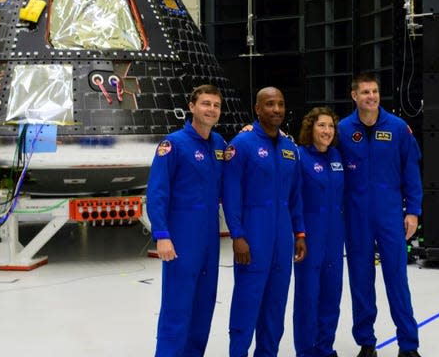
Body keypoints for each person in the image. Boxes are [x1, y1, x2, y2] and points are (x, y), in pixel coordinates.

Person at [338, 73, 423, 357]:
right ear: (354, 96)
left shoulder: (398, 128)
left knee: (397, 279)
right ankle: (366, 342)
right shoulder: (342, 130)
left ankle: (408, 345)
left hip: (389, 216)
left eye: (374, 91)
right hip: (356, 216)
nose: (371, 97)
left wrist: (413, 211)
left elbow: (411, 171)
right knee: (361, 281)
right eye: (364, 92)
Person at [222, 86, 307, 357]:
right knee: (247, 301)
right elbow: (231, 193)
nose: (276, 110)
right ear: (257, 109)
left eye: (280, 104)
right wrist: (237, 235)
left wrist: (300, 234)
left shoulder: (289, 148)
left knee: (276, 303)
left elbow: (295, 197)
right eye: (269, 104)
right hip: (253, 235)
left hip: (283, 237)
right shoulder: (241, 145)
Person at [146, 84, 228, 357]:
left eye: (216, 105)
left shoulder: (219, 145)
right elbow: (157, 193)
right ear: (192, 106)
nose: (211, 109)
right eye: (205, 103)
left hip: (209, 238)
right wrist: (162, 235)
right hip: (181, 237)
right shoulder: (173, 144)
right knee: (177, 306)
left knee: (204, 305)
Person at [293, 107, 345, 357]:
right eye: (321, 125)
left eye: (331, 126)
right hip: (310, 236)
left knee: (331, 296)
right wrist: (299, 234)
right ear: (310, 128)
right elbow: (295, 200)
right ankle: (306, 350)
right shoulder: (300, 157)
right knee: (307, 297)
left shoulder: (337, 156)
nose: (327, 131)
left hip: (334, 237)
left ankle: (325, 348)